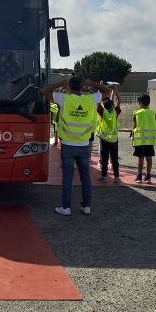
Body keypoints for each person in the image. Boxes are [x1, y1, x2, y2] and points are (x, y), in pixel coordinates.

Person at [40, 75, 110, 216]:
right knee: (85, 177)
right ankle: (86, 206)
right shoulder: (90, 98)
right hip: (84, 144)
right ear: (82, 86)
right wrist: (92, 83)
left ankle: (66, 207)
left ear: (69, 87)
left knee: (67, 176)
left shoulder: (64, 98)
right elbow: (107, 91)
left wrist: (61, 83)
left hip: (67, 144)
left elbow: (44, 90)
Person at [96, 83, 122, 183]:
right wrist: (115, 89)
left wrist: (100, 88)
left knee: (105, 157)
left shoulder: (103, 113)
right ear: (112, 106)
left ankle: (104, 175)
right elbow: (119, 100)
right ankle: (116, 176)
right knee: (114, 158)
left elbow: (98, 101)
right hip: (114, 139)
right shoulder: (115, 113)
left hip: (104, 139)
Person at [132, 94, 156, 183]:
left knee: (140, 158)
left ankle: (139, 176)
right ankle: (148, 176)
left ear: (140, 103)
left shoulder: (136, 113)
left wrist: (133, 140)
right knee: (149, 157)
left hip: (140, 139)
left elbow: (134, 127)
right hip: (150, 139)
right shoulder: (153, 113)